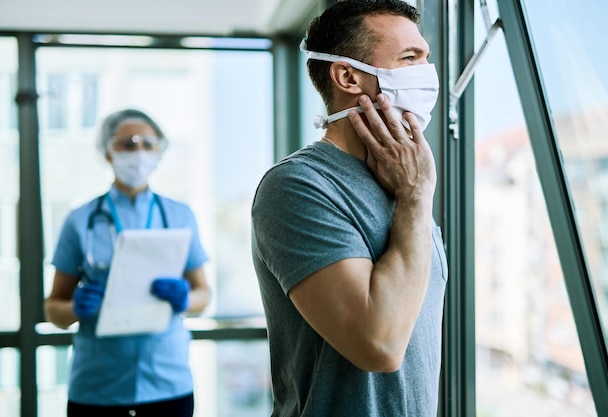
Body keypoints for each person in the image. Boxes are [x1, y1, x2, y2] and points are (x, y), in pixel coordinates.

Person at [251, 1, 448, 416]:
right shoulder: (298, 187)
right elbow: (379, 345)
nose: (426, 75)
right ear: (347, 76)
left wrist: (413, 192)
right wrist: (416, 196)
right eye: (408, 59)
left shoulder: (403, 180)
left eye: (425, 59)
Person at [44, 108, 211, 417]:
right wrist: (74, 309)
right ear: (108, 151)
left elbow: (203, 295)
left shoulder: (179, 215)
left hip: (168, 384)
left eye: (148, 144)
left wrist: (186, 298)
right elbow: (54, 308)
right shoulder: (79, 220)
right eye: (128, 144)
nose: (139, 152)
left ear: (160, 152)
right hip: (97, 387)